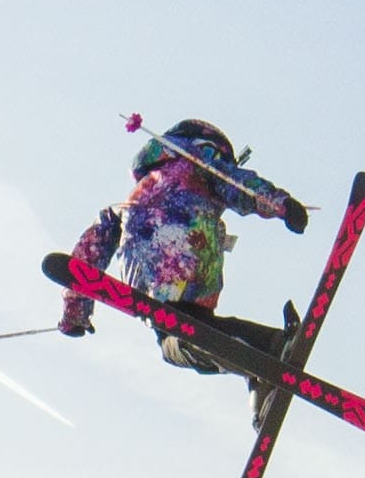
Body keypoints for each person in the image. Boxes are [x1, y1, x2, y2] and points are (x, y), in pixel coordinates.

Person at [60, 118, 306, 377]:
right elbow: (237, 183)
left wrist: (75, 311)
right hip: (193, 267)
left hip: (151, 281)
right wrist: (280, 203)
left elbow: (92, 249)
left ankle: (260, 352)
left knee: (179, 343)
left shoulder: (131, 200)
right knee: (195, 330)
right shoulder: (201, 166)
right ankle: (265, 358)